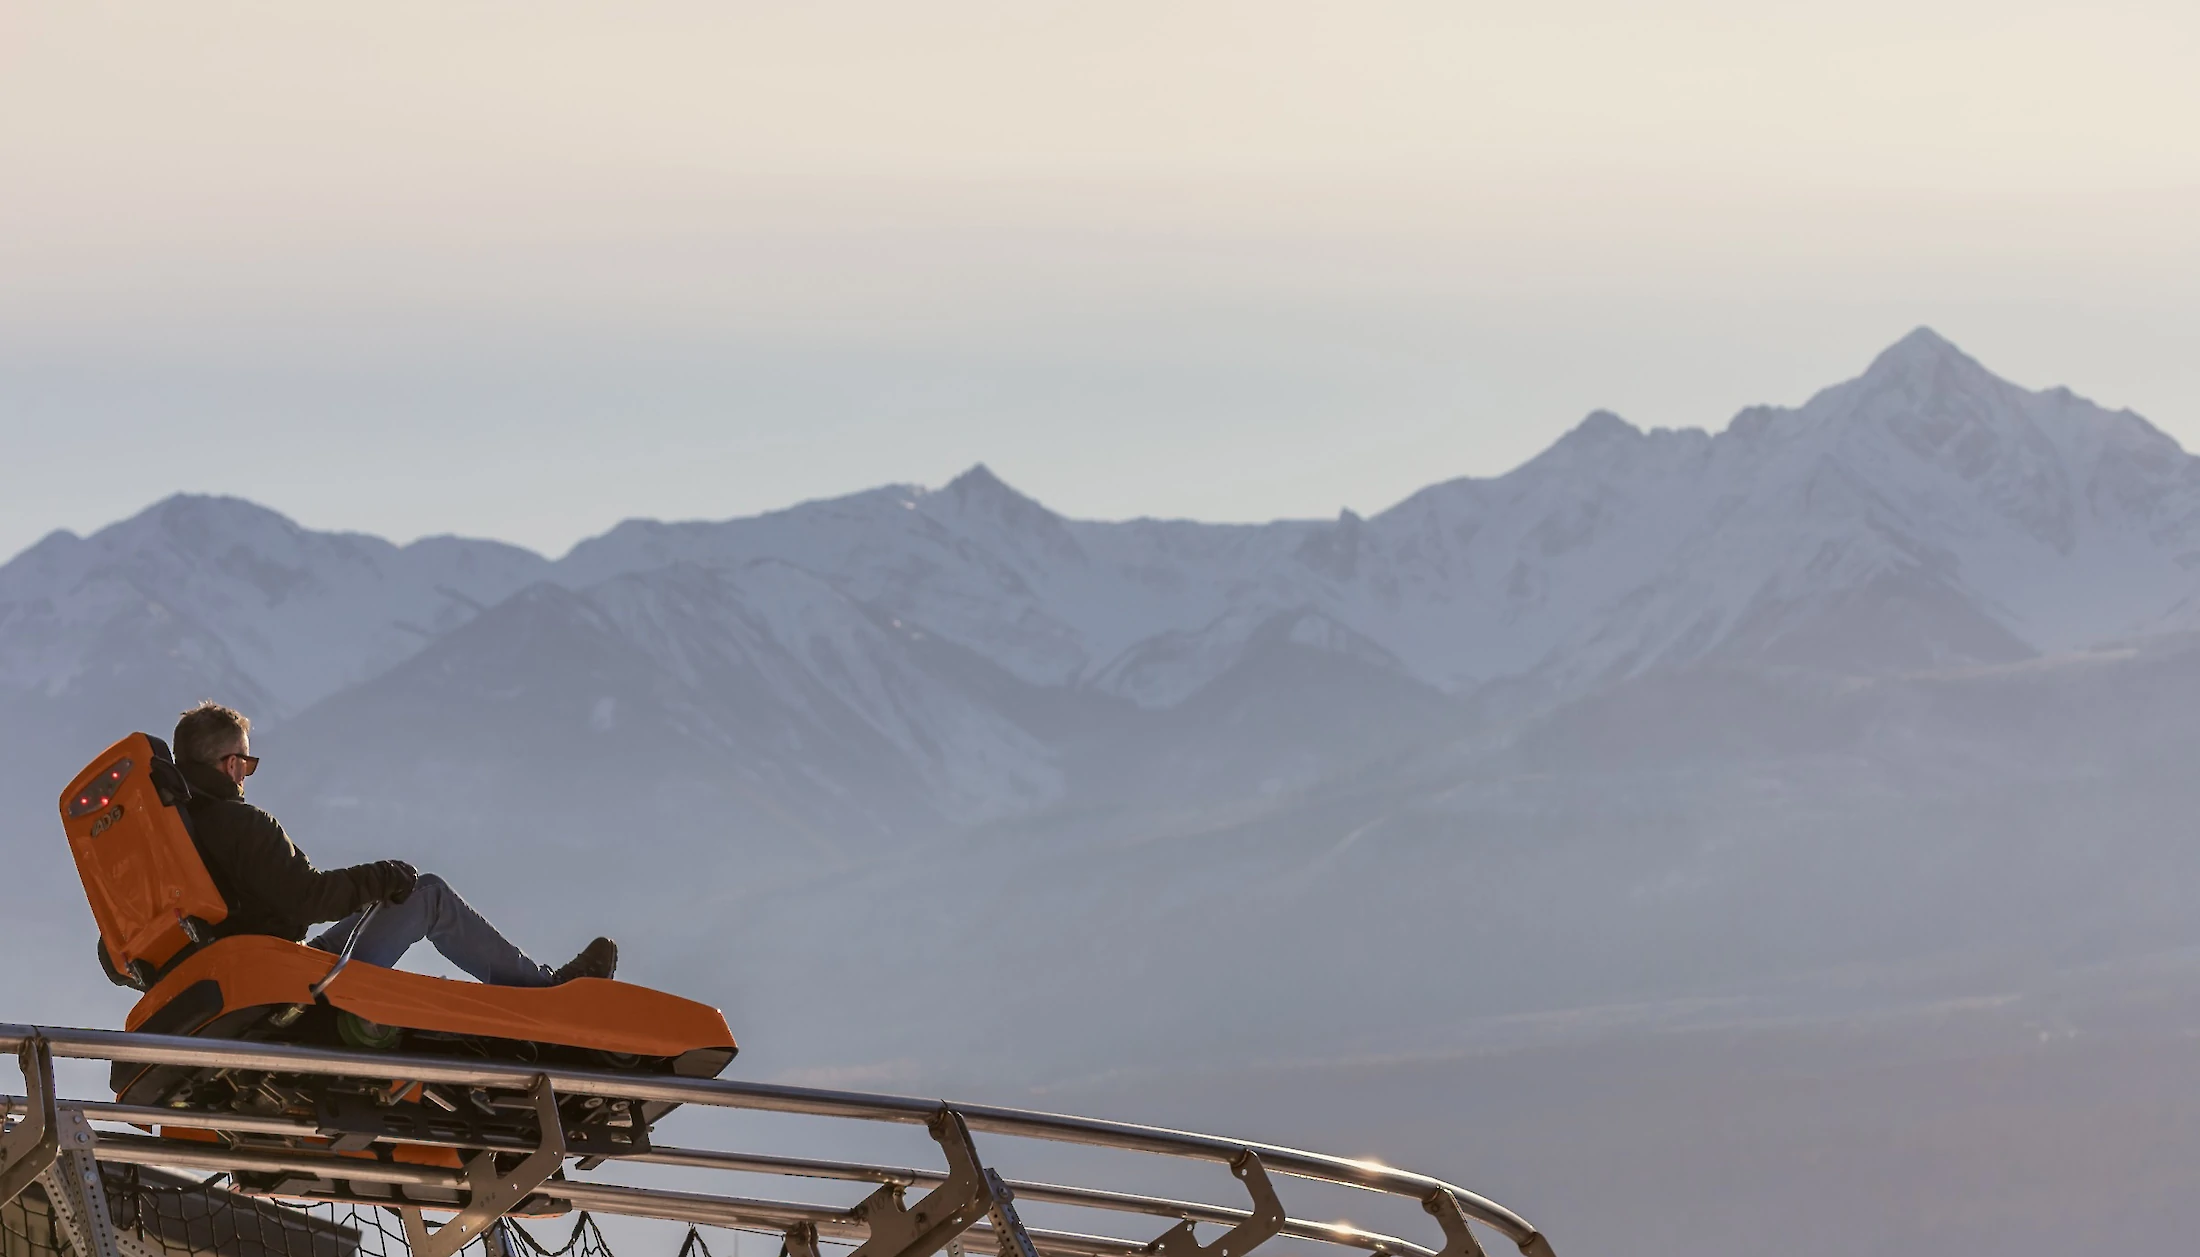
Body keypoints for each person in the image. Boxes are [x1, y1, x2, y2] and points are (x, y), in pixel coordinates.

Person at [170, 701, 617, 987]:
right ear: (231, 765)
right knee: (429, 895)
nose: (247, 776)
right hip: (279, 978)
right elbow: (307, 900)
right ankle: (545, 993)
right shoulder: (241, 824)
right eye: (247, 764)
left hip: (223, 977)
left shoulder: (169, 837)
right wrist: (381, 876)